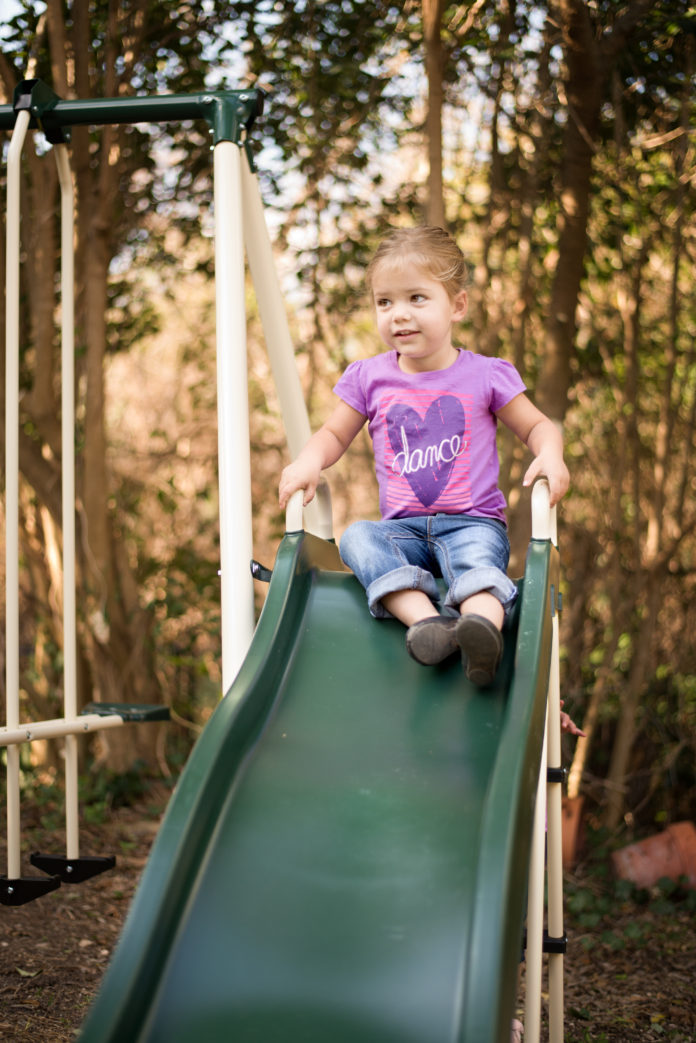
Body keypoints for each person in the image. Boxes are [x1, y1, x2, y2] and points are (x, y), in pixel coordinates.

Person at [279, 226, 570, 686]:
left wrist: (550, 455)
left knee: (479, 566)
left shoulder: (486, 376)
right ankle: (426, 624)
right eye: (385, 302)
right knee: (357, 538)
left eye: (417, 298)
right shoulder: (368, 378)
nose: (399, 315)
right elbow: (334, 433)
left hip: (472, 522)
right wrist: (309, 462)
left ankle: (481, 632)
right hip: (403, 531)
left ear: (457, 305)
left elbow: (537, 425)